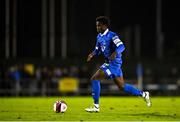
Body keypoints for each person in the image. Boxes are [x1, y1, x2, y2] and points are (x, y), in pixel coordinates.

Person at [85, 16, 151, 112]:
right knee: (122, 86)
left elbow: (121, 46)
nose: (97, 27)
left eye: (99, 25)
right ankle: (144, 94)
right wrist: (92, 54)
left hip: (114, 63)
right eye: (96, 26)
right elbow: (97, 49)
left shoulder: (112, 35)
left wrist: (115, 53)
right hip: (109, 63)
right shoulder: (99, 37)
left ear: (105, 26)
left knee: (94, 79)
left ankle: (96, 107)